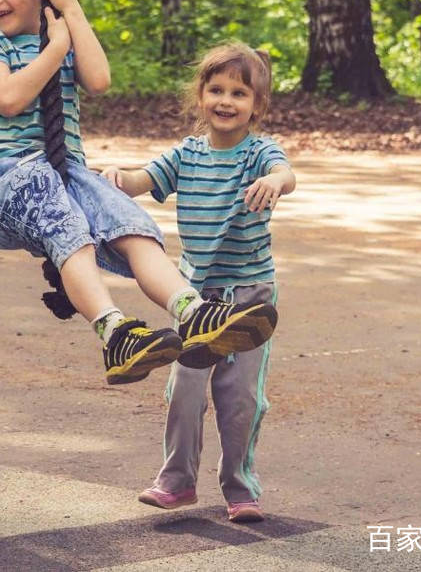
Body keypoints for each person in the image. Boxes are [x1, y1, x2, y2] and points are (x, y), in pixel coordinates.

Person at [0, 0, 278, 386]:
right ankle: (114, 331)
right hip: (8, 177)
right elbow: (8, 99)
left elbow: (100, 79)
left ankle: (194, 312)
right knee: (72, 234)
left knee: (132, 225)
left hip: (64, 172)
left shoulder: (59, 34)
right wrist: (54, 50)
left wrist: (71, 11)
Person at [100, 42, 295, 522]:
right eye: (217, 90)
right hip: (193, 299)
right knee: (184, 391)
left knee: (241, 399)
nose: (226, 101)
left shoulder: (259, 153)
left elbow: (284, 172)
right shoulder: (186, 154)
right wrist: (110, 178)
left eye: (239, 93)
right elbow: (140, 180)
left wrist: (276, 182)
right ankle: (177, 481)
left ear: (257, 106)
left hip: (249, 298)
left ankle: (240, 487)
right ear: (201, 96)